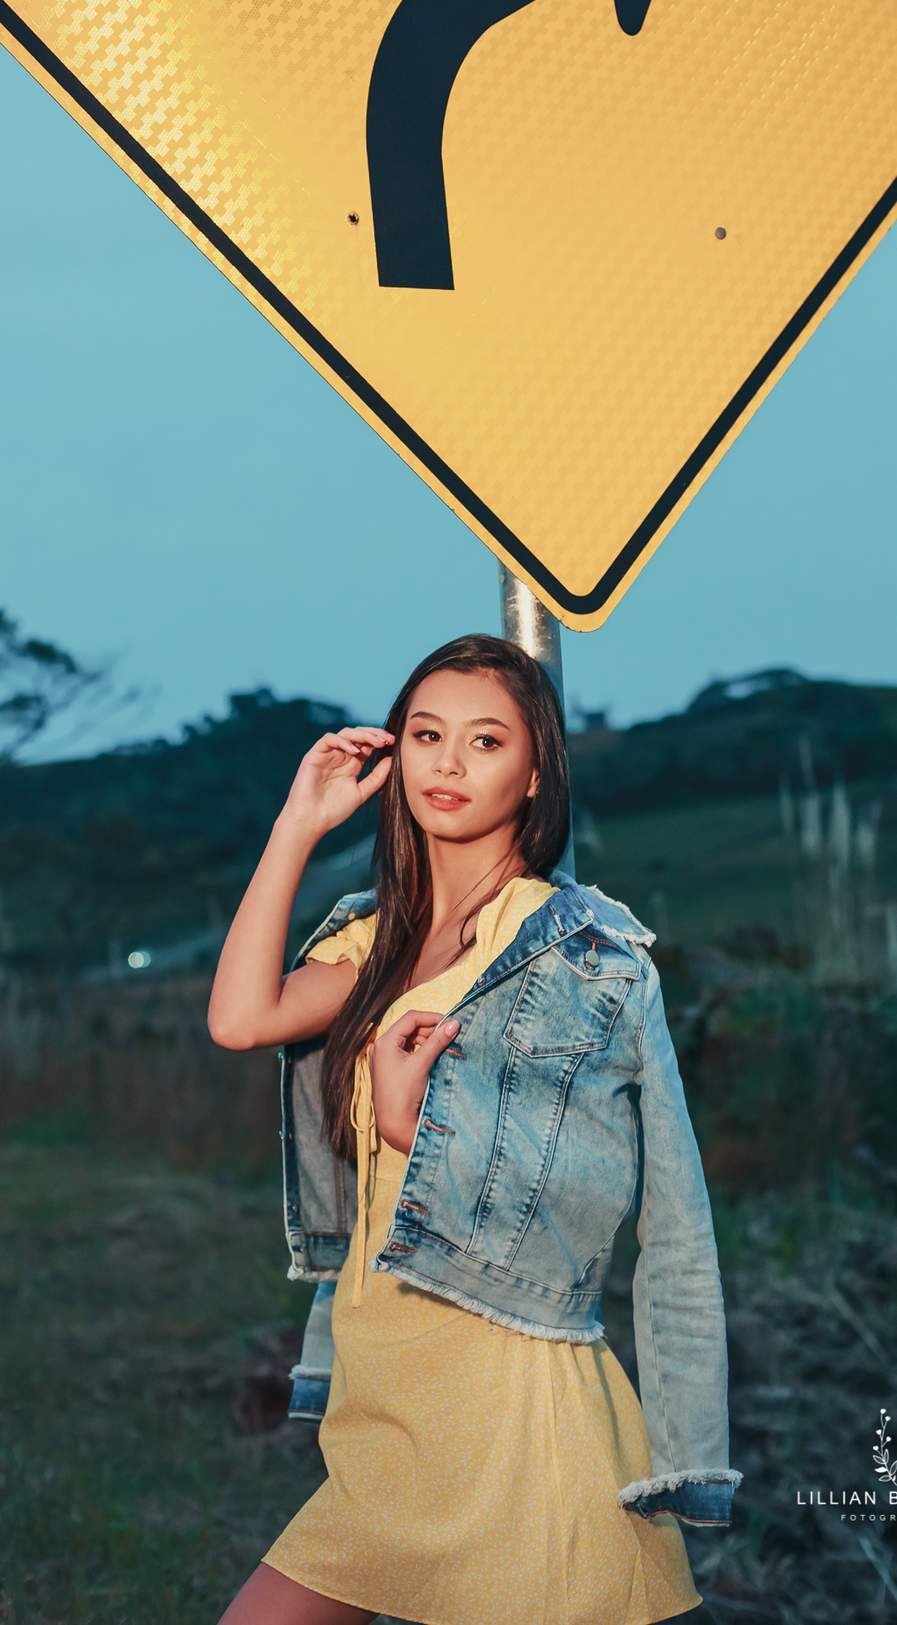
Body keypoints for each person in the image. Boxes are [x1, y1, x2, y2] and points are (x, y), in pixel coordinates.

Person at [208, 634, 739, 1625]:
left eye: (484, 740)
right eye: (426, 734)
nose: (446, 762)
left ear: (534, 773)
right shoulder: (378, 940)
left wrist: (416, 1134)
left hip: (511, 1419)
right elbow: (239, 1019)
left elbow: (587, 1211)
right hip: (389, 1416)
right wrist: (297, 822)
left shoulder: (579, 957)